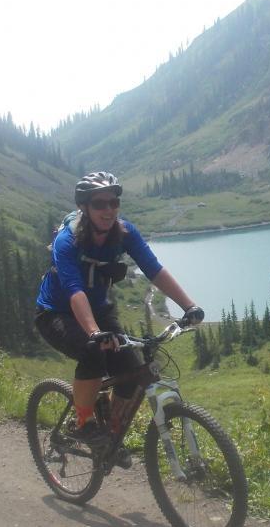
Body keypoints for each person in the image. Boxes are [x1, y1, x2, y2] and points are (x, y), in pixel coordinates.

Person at [35, 171, 203, 442]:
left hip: (99, 309)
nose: (108, 209)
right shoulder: (68, 241)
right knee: (93, 354)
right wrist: (93, 333)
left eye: (113, 202)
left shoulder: (124, 232)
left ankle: (111, 434)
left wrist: (189, 306)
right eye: (99, 204)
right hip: (57, 312)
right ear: (84, 207)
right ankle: (82, 423)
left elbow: (154, 270)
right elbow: (74, 292)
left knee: (130, 372)